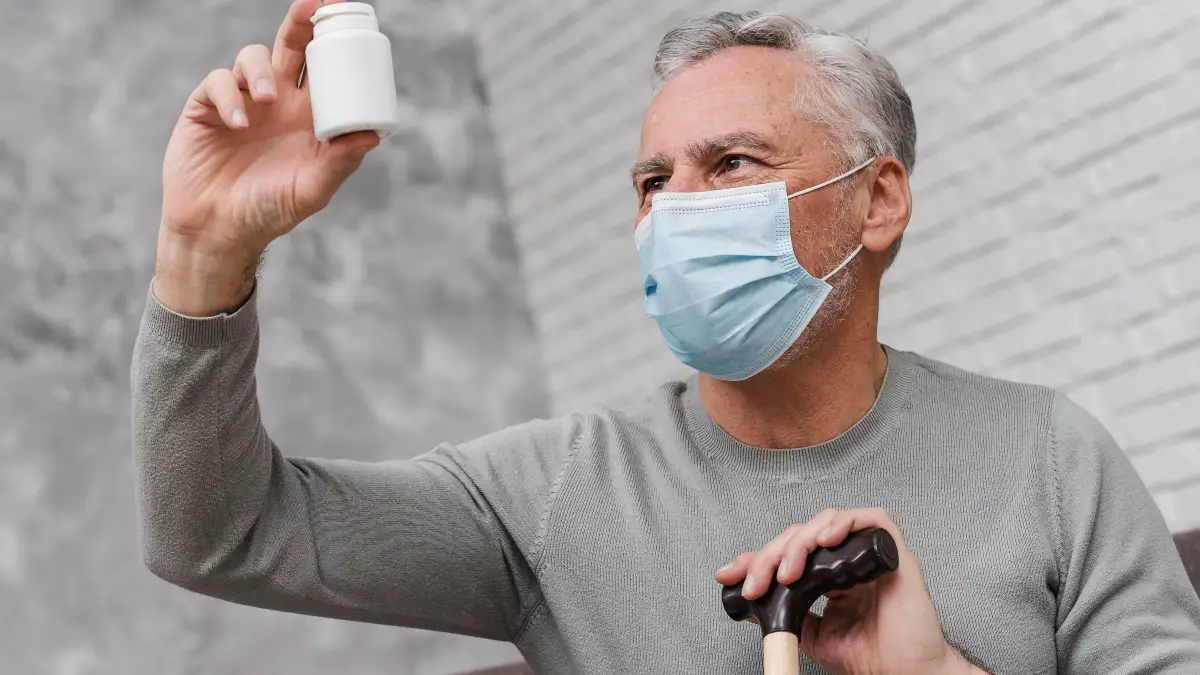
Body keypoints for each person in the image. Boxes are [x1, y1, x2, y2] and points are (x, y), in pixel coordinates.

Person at [131, 1, 1200, 673]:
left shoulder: (1047, 458)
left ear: (875, 203)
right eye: (652, 181)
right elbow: (216, 533)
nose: (674, 210)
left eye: (730, 163)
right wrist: (201, 250)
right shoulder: (551, 492)